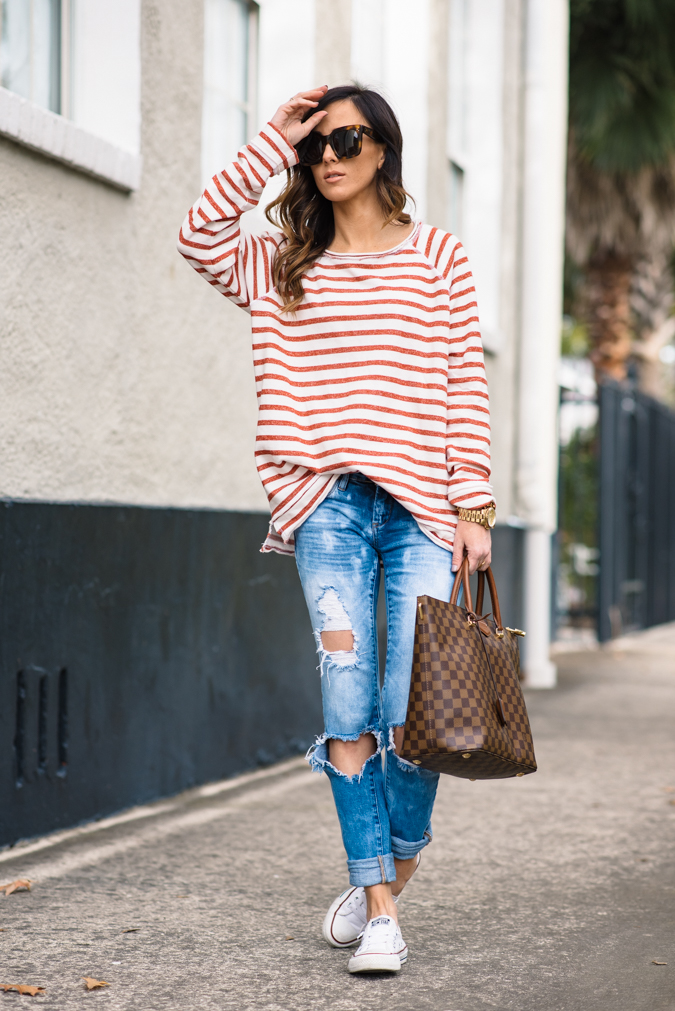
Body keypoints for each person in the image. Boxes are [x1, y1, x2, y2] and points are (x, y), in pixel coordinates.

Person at [178, 84, 495, 974]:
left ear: (382, 149)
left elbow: (463, 385)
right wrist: (269, 140)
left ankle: (384, 869)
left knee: (417, 711)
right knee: (347, 701)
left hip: (424, 509)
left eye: (346, 137)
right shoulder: (283, 261)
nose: (328, 154)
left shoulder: (439, 259)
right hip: (323, 504)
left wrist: (473, 505)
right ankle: (384, 909)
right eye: (314, 143)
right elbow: (198, 235)